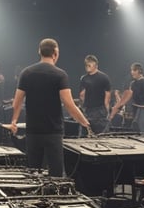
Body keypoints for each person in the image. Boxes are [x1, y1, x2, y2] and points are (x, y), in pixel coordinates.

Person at [9, 38, 90, 177]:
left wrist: (14, 121)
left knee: (32, 173)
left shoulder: (26, 73)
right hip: (53, 132)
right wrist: (85, 123)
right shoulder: (60, 75)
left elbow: (16, 102)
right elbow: (69, 104)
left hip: (33, 131)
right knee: (56, 174)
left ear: (39, 52)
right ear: (55, 53)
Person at [110, 62, 144, 135]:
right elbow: (126, 98)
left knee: (143, 132)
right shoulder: (133, 84)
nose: (132, 72)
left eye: (134, 70)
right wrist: (115, 110)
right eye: (131, 70)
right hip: (136, 110)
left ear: (139, 71)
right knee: (136, 131)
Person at [79, 55, 112, 135]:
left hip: (99, 110)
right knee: (86, 133)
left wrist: (106, 110)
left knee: (98, 134)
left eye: (89, 65)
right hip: (88, 109)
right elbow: (81, 95)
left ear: (96, 65)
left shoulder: (104, 78)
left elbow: (107, 97)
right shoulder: (84, 78)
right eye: (86, 65)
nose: (87, 67)